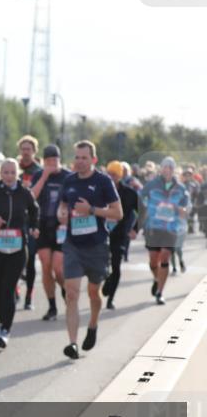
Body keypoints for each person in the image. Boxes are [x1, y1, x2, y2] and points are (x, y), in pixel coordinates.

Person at [58, 141, 122, 359]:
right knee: (72, 294)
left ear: (93, 160)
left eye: (84, 158)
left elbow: (118, 213)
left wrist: (91, 210)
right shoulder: (69, 181)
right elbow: (64, 204)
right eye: (77, 157)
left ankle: (93, 324)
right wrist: (62, 212)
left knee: (94, 293)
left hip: (96, 246)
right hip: (73, 244)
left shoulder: (103, 181)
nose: (79, 161)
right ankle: (72, 344)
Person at [0, 159, 38, 348]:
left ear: (17, 174)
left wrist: (34, 227)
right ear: (1, 173)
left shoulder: (24, 193)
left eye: (12, 172)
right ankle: (2, 321)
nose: (9, 176)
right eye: (5, 172)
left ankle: (5, 330)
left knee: (9, 288)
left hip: (18, 247)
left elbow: (35, 211)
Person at [30, 144, 72, 321]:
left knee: (58, 268)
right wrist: (44, 175)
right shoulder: (39, 175)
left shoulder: (68, 176)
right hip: (43, 225)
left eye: (55, 160)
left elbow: (74, 199)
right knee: (46, 265)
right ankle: (52, 306)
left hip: (61, 227)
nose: (52, 164)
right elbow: (31, 196)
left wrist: (67, 217)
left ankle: (65, 289)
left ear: (59, 160)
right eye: (48, 161)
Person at [140, 156, 190, 305]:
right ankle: (157, 278)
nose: (167, 169)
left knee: (165, 257)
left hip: (171, 227)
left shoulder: (181, 188)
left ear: (174, 170)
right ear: (160, 169)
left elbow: (186, 207)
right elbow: (141, 200)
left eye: (170, 167)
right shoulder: (151, 185)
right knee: (153, 260)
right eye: (165, 167)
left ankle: (160, 292)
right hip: (153, 227)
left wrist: (182, 210)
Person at [102, 161, 139, 310]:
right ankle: (106, 279)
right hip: (102, 233)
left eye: (115, 175)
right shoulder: (100, 190)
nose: (111, 177)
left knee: (116, 265)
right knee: (102, 264)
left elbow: (141, 211)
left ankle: (111, 298)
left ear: (120, 176)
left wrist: (135, 229)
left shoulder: (130, 193)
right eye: (109, 174)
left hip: (120, 234)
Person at [17, 136, 43, 310]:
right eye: (23, 148)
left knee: (31, 258)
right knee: (15, 257)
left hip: (32, 219)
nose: (26, 152)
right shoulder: (13, 168)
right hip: (15, 220)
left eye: (29, 149)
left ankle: (29, 296)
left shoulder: (39, 171)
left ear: (34, 151)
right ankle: (15, 289)